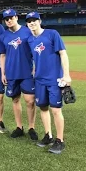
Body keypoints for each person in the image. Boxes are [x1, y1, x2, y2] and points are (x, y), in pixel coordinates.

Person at [26, 12, 71, 154]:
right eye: (29, 21)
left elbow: (63, 53)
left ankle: (60, 140)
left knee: (56, 110)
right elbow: (35, 58)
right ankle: (48, 135)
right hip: (39, 80)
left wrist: (66, 75)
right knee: (43, 108)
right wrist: (34, 70)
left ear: (39, 21)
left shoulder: (52, 34)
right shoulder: (30, 40)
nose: (32, 23)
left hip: (54, 79)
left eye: (34, 20)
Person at [0, 9, 38, 140]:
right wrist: (3, 73)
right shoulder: (3, 36)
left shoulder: (28, 32)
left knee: (30, 101)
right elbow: (2, 55)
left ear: (16, 17)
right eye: (6, 19)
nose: (9, 20)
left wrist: (35, 67)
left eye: (11, 18)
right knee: (15, 99)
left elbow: (35, 51)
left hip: (26, 72)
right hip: (11, 73)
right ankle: (19, 127)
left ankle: (31, 127)